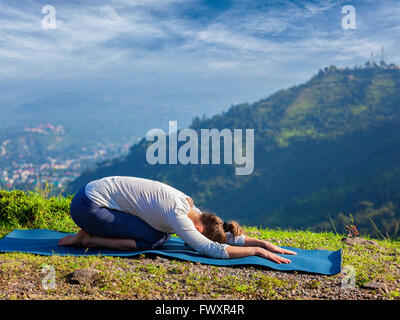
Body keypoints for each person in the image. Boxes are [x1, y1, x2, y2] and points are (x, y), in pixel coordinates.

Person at [59, 176, 296, 264]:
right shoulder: (178, 215)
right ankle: (87, 239)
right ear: (197, 228)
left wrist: (262, 242)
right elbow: (213, 249)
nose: (187, 240)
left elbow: (223, 234)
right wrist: (255, 252)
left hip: (93, 192)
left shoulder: (192, 206)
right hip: (88, 207)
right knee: (153, 239)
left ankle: (89, 235)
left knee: (159, 234)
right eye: (191, 237)